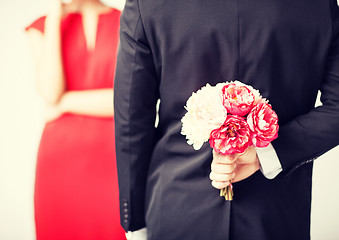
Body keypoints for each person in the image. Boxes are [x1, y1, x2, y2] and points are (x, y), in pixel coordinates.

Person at [114, 0, 339, 239]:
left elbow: (131, 117)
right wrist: (269, 154)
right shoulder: (317, 4)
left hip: (177, 207)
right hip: (277, 215)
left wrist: (134, 222)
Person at [25, 0, 125, 239]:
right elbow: (51, 91)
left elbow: (125, 99)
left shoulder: (126, 21)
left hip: (112, 158)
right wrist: (54, 17)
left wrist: (64, 103)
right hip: (60, 160)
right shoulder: (42, 26)